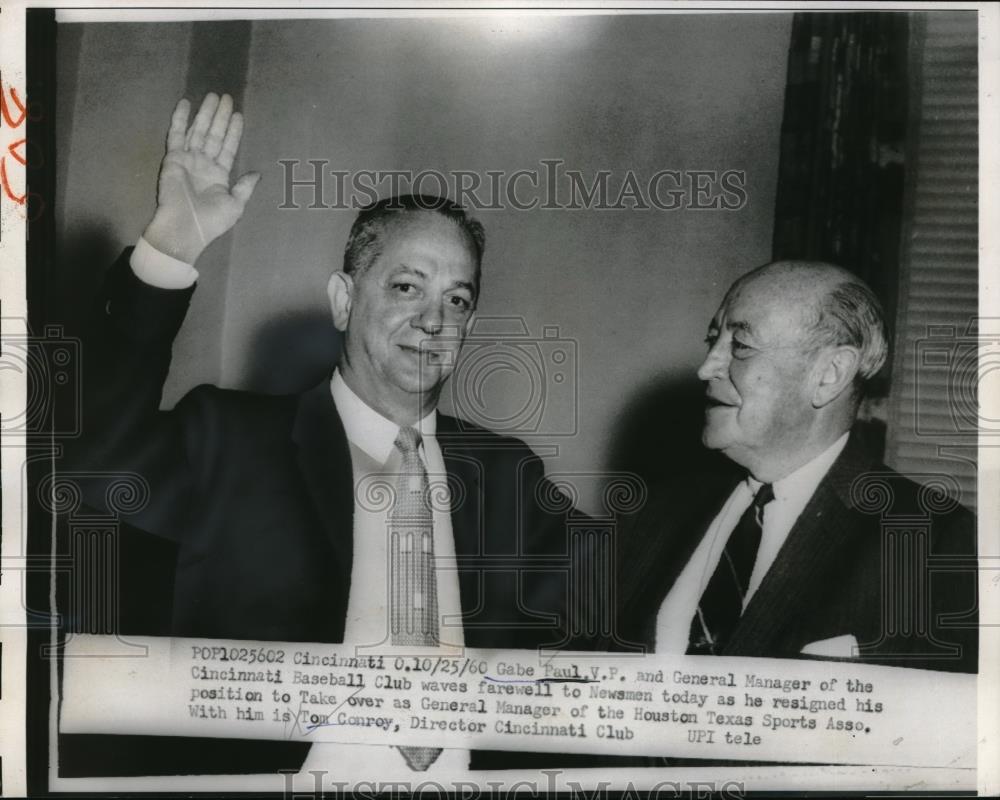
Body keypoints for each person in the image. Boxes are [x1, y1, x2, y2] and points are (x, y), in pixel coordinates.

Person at [60, 92, 578, 777]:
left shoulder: (509, 477)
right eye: (405, 287)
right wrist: (169, 251)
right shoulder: (230, 438)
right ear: (342, 300)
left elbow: (638, 590)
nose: (434, 320)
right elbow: (93, 462)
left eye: (457, 299)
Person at [615, 260, 977, 675]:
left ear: (829, 374)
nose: (707, 367)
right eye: (712, 340)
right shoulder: (656, 511)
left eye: (741, 347)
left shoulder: (935, 541)